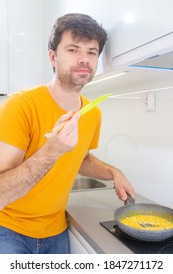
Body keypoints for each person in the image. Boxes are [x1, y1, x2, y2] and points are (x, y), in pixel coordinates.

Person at [0, 13, 135, 254]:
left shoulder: (92, 114)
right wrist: (51, 151)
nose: (84, 59)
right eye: (73, 50)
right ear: (53, 57)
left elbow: (81, 159)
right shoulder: (20, 106)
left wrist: (113, 172)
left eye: (92, 52)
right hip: (9, 230)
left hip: (56, 231)